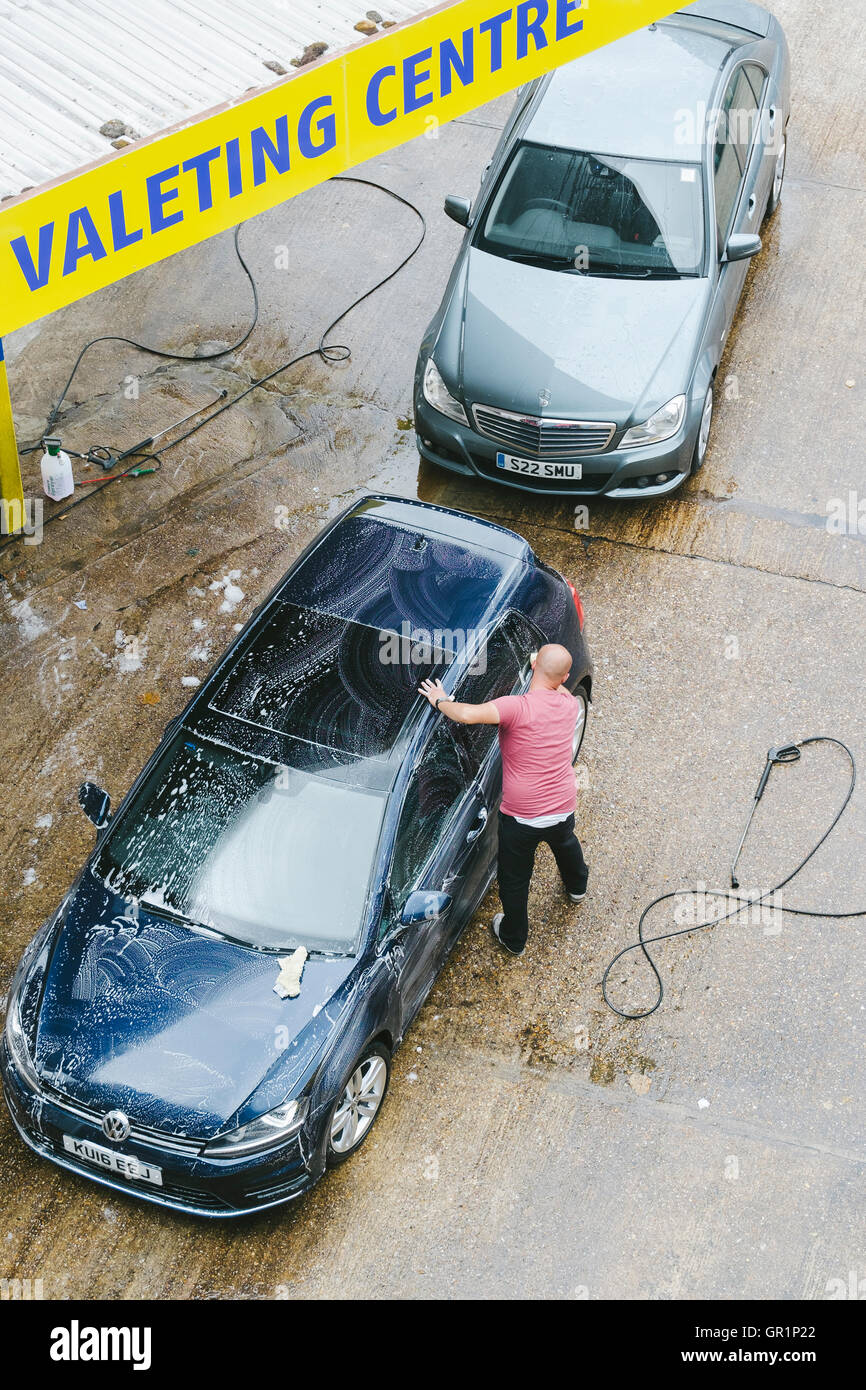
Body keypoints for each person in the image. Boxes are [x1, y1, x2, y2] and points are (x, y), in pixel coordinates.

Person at [419, 644, 588, 956]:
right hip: (563, 804)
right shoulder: (568, 704)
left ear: (534, 665)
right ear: (564, 677)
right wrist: (550, 670)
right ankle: (578, 886)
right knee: (566, 843)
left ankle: (514, 937)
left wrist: (440, 699)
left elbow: (467, 714)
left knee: (515, 877)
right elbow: (556, 680)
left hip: (522, 818)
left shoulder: (515, 708)